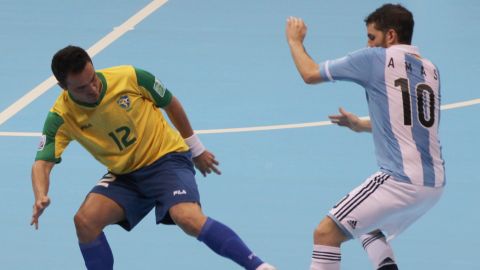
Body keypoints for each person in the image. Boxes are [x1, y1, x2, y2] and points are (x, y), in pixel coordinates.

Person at [31, 45, 276, 270]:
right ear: (64, 88)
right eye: (82, 88)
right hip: (125, 176)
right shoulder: (61, 117)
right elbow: (42, 162)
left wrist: (196, 149)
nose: (92, 89)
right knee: (85, 221)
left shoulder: (130, 77)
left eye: (93, 79)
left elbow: (171, 103)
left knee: (187, 218)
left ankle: (259, 267)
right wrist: (40, 194)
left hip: (166, 159)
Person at [286, 4, 444, 270]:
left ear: (390, 36)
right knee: (368, 227)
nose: (368, 45)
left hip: (400, 180)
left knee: (325, 233)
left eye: (372, 37)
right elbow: (411, 124)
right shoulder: (430, 70)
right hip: (434, 184)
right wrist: (360, 124)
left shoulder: (375, 59)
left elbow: (310, 73)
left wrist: (294, 40)